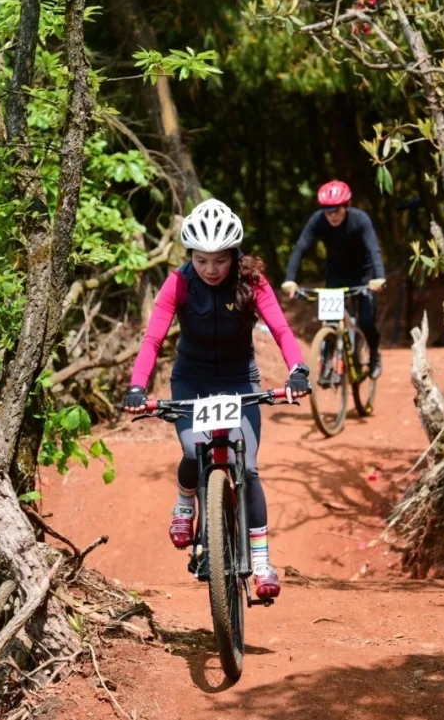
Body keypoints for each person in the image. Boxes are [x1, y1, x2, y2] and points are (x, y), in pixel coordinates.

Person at [121, 198, 312, 600]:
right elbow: (153, 338)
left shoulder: (252, 281)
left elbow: (281, 329)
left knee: (250, 467)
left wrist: (297, 370)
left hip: (239, 380)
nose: (211, 269)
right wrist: (138, 386)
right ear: (190, 256)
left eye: (220, 260)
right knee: (194, 450)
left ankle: (261, 561)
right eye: (202, 260)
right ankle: (185, 503)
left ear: (234, 255)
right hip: (191, 380)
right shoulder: (179, 282)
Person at [281, 180, 388, 381]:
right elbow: (301, 248)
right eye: (327, 211)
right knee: (330, 320)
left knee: (366, 321)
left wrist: (379, 278)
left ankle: (374, 353)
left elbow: (374, 249)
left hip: (364, 276)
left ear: (346, 206)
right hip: (336, 275)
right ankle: (327, 360)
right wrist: (290, 280)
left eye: (336, 210)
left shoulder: (360, 219)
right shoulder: (317, 221)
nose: (332, 215)